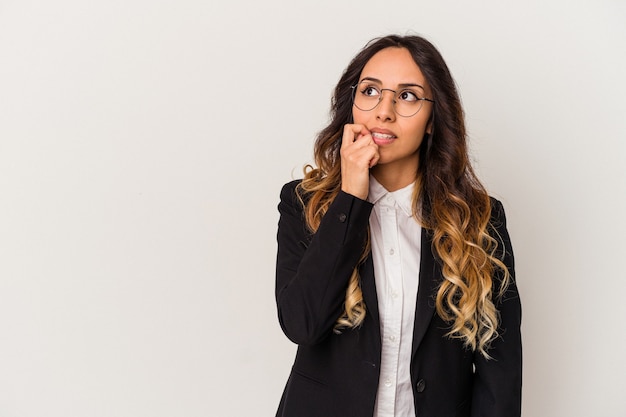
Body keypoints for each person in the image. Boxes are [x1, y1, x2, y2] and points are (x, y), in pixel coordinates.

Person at [274, 34, 521, 417]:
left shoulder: (478, 219)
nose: (384, 111)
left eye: (407, 96)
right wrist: (351, 199)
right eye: (371, 91)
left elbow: (499, 369)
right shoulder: (304, 204)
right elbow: (302, 324)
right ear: (352, 105)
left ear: (433, 121)